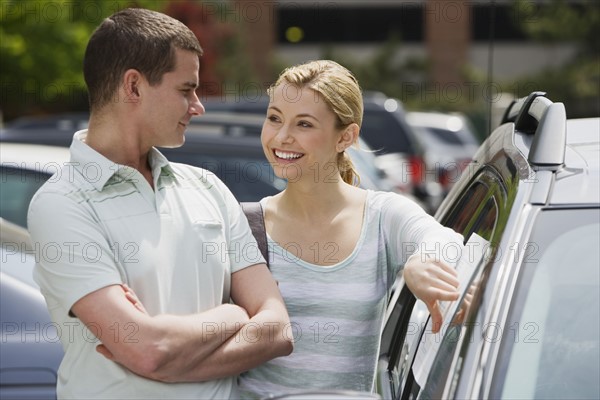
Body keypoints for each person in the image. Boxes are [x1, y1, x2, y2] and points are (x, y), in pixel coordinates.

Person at [28, 8, 292, 399]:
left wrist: (170, 361)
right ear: (133, 86)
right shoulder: (62, 204)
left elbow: (277, 330)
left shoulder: (209, 188)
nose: (198, 105)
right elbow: (147, 350)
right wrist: (234, 314)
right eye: (186, 89)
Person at [234, 60, 464, 397]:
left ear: (346, 136)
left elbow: (446, 239)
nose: (281, 137)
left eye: (304, 124)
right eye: (274, 118)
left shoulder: (382, 215)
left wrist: (421, 261)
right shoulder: (243, 224)